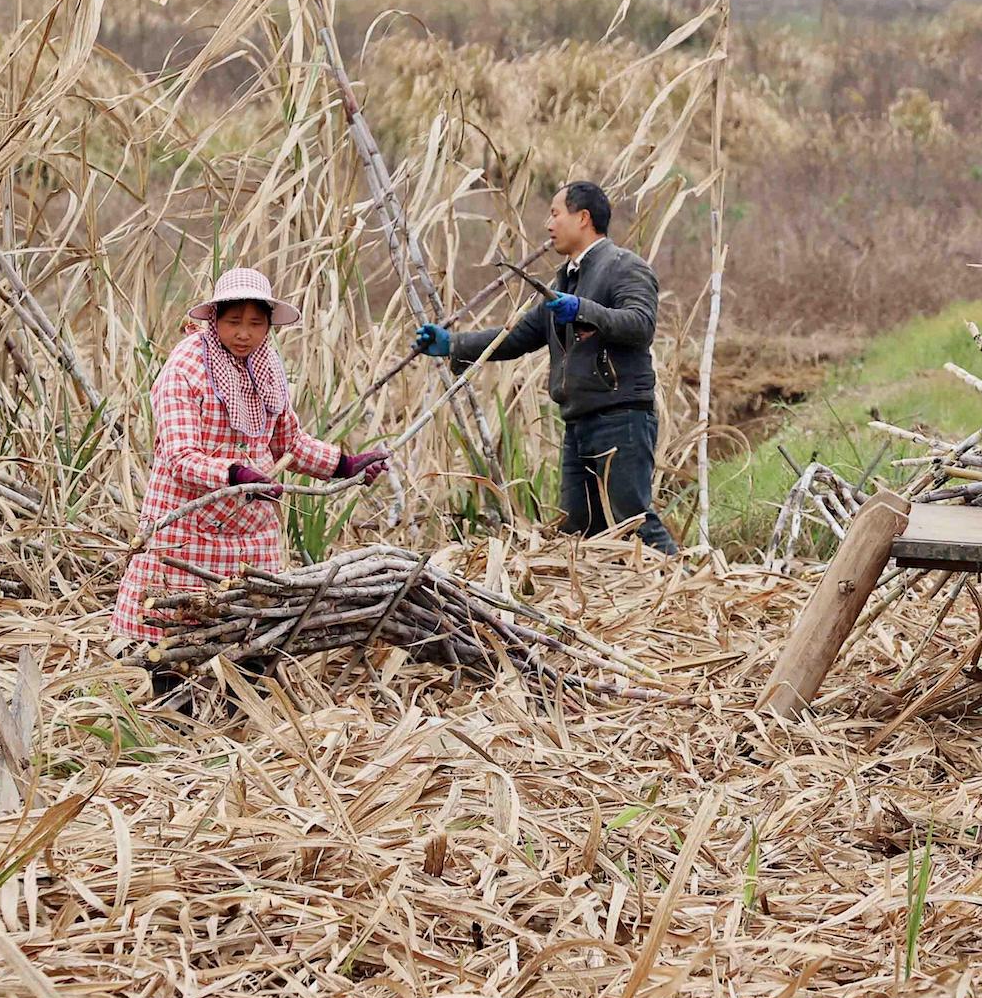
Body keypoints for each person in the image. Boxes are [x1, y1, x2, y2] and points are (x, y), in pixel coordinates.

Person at [113, 267, 388, 695]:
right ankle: (173, 716)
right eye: (234, 322)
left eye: (256, 323)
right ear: (214, 319)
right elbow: (179, 455)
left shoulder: (266, 368)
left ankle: (240, 711)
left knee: (249, 628)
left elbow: (289, 442)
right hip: (189, 525)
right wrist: (236, 474)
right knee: (173, 628)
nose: (244, 334)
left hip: (252, 531)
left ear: (268, 326)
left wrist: (345, 464)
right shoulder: (185, 369)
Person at [415, 181, 680, 554]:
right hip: (579, 422)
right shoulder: (565, 279)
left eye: (555, 213)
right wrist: (452, 345)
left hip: (620, 418)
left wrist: (582, 309)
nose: (548, 224)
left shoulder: (625, 267)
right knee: (580, 530)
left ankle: (676, 587)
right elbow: (520, 336)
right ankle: (608, 605)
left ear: (583, 218)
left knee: (632, 522)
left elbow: (640, 325)